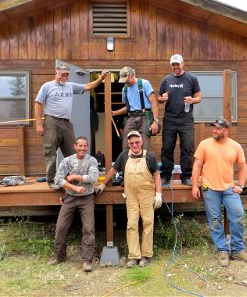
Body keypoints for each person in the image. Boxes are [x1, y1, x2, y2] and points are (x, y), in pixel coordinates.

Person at [191, 118, 247, 267]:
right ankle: (222, 250)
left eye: (218, 128)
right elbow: (197, 166)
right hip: (210, 188)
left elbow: (243, 167)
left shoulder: (235, 146)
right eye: (214, 128)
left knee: (238, 216)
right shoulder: (204, 144)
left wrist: (241, 185)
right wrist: (195, 185)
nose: (214, 131)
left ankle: (238, 249)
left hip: (229, 188)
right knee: (215, 220)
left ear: (226, 130)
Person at [94, 131, 162, 268]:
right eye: (132, 143)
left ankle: (146, 255)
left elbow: (156, 176)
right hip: (131, 196)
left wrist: (158, 193)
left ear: (141, 142)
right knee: (132, 224)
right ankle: (133, 256)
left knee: (148, 223)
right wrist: (103, 183)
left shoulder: (149, 156)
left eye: (137, 142)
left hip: (147, 195)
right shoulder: (124, 155)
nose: (135, 145)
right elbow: (113, 171)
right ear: (128, 144)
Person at [35, 60, 108, 189]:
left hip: (67, 123)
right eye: (62, 74)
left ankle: (74, 179)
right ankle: (52, 181)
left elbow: (88, 87)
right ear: (56, 72)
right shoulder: (47, 86)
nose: (65, 77)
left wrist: (101, 78)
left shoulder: (70, 86)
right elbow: (38, 104)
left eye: (67, 75)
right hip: (52, 121)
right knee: (50, 152)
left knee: (73, 152)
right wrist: (39, 124)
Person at [48, 136, 99, 272]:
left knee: (88, 229)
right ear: (75, 146)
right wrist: (74, 187)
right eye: (80, 146)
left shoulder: (92, 160)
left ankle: (87, 261)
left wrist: (76, 177)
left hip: (87, 198)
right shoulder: (67, 161)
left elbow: (94, 177)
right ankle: (60, 256)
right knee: (61, 227)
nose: (83, 148)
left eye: (85, 146)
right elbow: (58, 178)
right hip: (70, 197)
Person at [157, 54, 201, 186]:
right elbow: (159, 98)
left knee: (187, 148)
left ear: (182, 63)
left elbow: (199, 97)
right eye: (173, 64)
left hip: (186, 118)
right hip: (169, 118)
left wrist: (192, 100)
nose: (176, 66)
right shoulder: (166, 80)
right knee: (167, 148)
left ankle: (186, 176)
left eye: (178, 64)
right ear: (171, 65)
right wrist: (162, 98)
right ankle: (165, 175)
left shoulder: (191, 78)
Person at [112, 66, 160, 150]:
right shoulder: (125, 89)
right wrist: (115, 113)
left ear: (132, 75)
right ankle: (127, 162)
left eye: (126, 79)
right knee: (126, 144)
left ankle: (144, 162)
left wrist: (155, 121)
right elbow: (128, 107)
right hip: (131, 117)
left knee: (144, 146)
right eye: (123, 80)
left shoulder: (144, 83)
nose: (125, 82)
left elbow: (154, 103)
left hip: (145, 116)